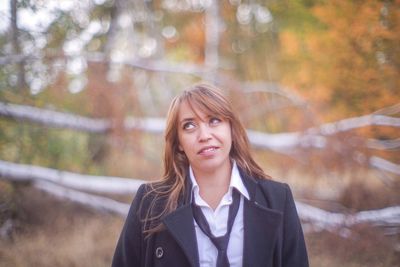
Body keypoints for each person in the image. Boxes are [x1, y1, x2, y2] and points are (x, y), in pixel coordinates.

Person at [111, 83, 309, 267]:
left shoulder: (277, 198)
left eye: (214, 120)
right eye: (189, 125)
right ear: (179, 142)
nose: (204, 135)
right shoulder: (150, 202)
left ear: (231, 128)